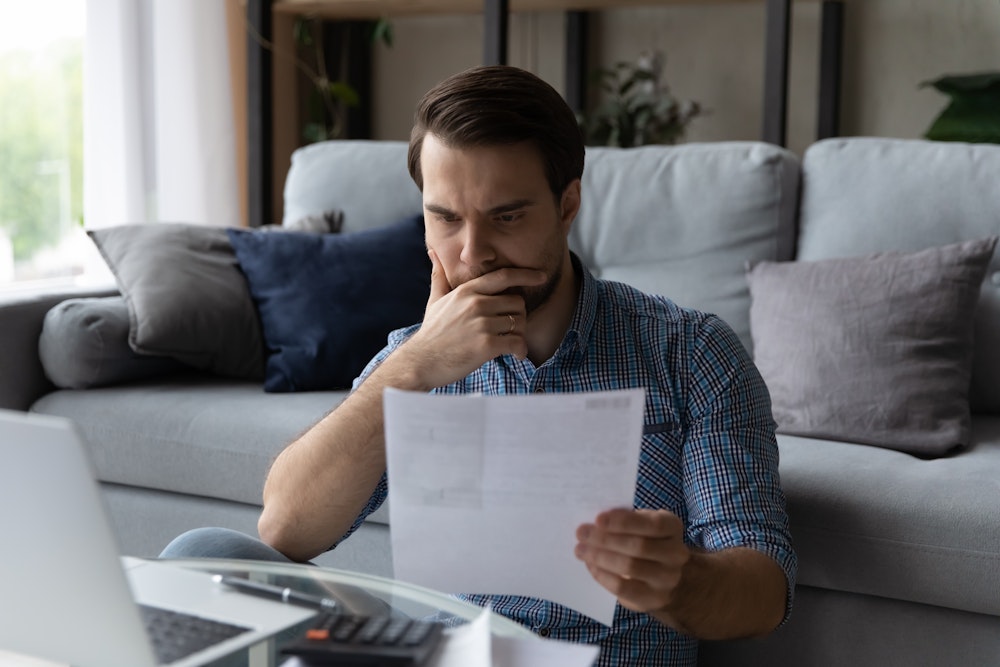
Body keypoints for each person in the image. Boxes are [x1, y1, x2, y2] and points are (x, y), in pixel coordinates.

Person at [163, 65, 796, 666]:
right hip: (440, 653)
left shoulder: (689, 353)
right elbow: (285, 529)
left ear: (568, 204)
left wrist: (678, 581)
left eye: (507, 217)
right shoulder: (417, 358)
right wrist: (413, 368)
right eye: (445, 218)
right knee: (203, 555)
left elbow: (763, 593)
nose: (472, 253)